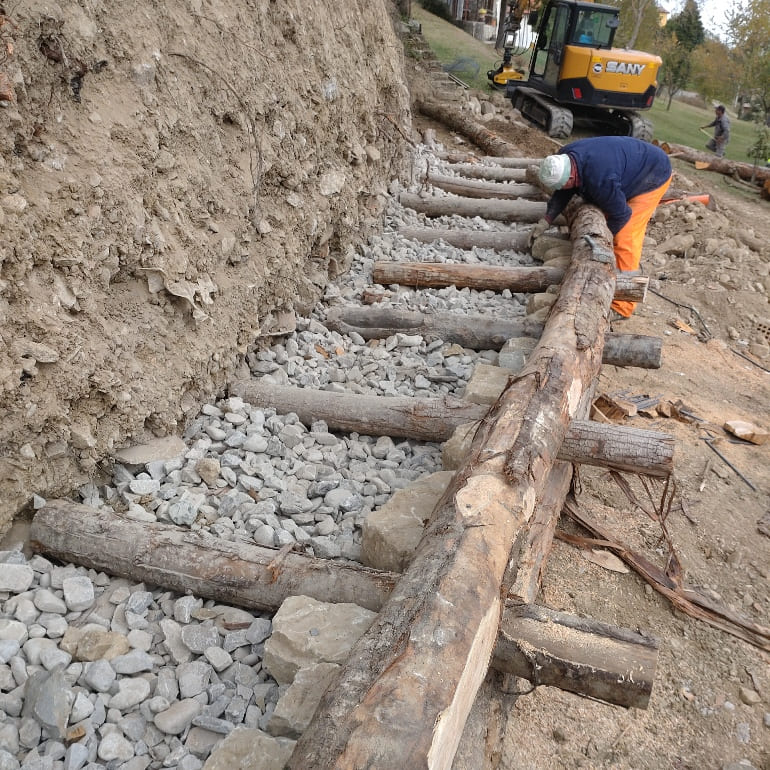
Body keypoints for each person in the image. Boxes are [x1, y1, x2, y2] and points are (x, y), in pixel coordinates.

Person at [529, 136, 672, 320]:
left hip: (654, 172)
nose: (563, 187)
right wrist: (546, 220)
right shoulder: (564, 157)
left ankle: (622, 306)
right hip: (628, 164)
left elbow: (622, 214)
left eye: (564, 183)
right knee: (606, 205)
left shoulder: (600, 178)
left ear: (571, 176)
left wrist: (602, 240)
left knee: (626, 235)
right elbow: (563, 190)